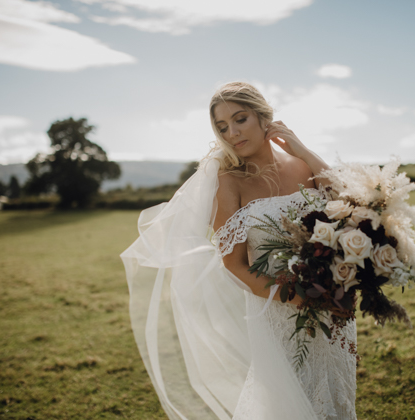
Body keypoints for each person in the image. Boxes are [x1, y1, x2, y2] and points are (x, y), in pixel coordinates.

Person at [121, 82, 357, 420]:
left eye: (240, 119)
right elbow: (233, 264)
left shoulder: (304, 165)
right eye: (222, 127)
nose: (232, 132)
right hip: (280, 311)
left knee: (337, 399)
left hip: (334, 307)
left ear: (264, 118)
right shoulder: (229, 181)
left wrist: (302, 149)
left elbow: (346, 207)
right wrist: (297, 297)